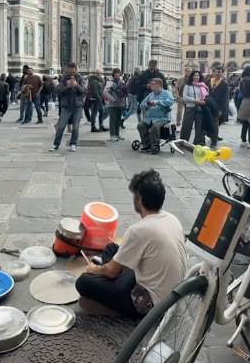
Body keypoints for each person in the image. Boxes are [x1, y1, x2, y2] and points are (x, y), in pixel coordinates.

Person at [75, 169, 186, 317]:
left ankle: (118, 304)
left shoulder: (139, 230)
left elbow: (110, 271)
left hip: (150, 303)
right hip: (171, 294)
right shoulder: (172, 218)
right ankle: (111, 279)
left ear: (139, 199)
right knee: (111, 248)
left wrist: (94, 269)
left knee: (83, 281)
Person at [50, 62, 85, 152]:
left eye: (73, 72)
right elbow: (59, 91)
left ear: (76, 70)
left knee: (76, 127)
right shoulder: (64, 79)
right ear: (68, 71)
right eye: (70, 73)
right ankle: (56, 144)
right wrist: (67, 86)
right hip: (66, 106)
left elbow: (83, 91)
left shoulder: (81, 78)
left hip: (77, 106)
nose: (72, 74)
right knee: (61, 126)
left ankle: (73, 144)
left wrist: (76, 85)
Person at [136, 79, 175, 153]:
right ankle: (146, 143)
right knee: (140, 125)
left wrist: (158, 102)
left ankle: (155, 144)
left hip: (161, 118)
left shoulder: (166, 93)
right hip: (149, 118)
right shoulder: (151, 95)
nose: (151, 86)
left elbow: (171, 101)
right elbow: (142, 105)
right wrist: (146, 105)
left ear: (158, 85)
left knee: (155, 127)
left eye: (153, 84)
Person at [180, 70, 209, 146]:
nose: (196, 77)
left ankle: (199, 142)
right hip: (190, 107)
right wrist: (195, 100)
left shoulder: (203, 85)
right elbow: (185, 97)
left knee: (199, 125)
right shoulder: (187, 86)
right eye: (194, 75)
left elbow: (206, 96)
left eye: (197, 75)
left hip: (200, 108)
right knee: (186, 125)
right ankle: (183, 141)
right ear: (191, 77)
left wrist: (203, 101)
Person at [104, 68, 127, 142]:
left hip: (120, 103)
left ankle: (117, 134)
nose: (117, 74)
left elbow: (124, 92)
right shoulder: (110, 82)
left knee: (118, 120)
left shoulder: (121, 81)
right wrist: (112, 99)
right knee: (113, 120)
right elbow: (105, 92)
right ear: (113, 74)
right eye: (115, 73)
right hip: (113, 104)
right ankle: (112, 135)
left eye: (118, 73)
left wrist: (125, 102)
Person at [208, 67, 229, 139]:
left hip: (217, 105)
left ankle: (214, 139)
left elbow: (225, 97)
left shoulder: (224, 84)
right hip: (207, 104)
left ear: (222, 73)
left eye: (219, 72)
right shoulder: (208, 81)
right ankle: (210, 134)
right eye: (216, 71)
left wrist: (221, 109)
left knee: (216, 123)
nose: (217, 73)